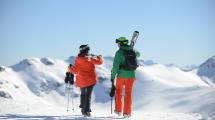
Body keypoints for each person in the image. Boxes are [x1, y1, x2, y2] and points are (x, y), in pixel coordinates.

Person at [68, 44, 103, 117]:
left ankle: (83, 109)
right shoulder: (89, 58)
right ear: (87, 50)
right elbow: (100, 62)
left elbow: (74, 70)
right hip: (90, 80)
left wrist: (70, 68)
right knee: (88, 95)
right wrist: (99, 57)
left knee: (83, 94)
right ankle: (86, 111)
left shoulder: (78, 59)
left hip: (81, 80)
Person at [110, 37, 140, 118]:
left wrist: (112, 76)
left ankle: (118, 110)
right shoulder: (132, 50)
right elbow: (138, 54)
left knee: (118, 92)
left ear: (121, 43)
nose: (117, 45)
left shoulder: (119, 52)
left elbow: (115, 66)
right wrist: (132, 48)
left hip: (121, 76)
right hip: (131, 76)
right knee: (128, 94)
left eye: (118, 43)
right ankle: (127, 113)